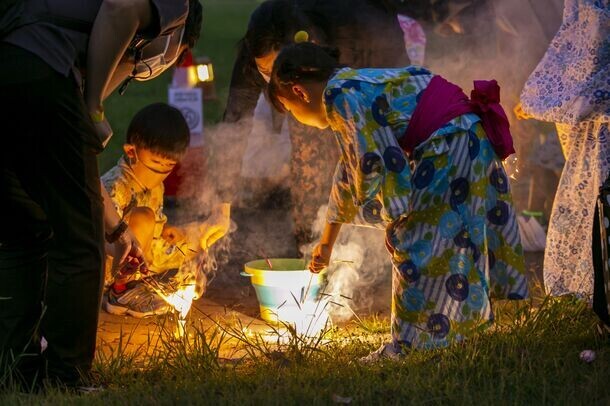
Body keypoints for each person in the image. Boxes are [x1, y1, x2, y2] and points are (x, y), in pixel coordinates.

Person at [267, 43, 528, 358]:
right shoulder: (350, 84)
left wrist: (396, 218)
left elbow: (371, 165)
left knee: (416, 244)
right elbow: (351, 169)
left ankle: (406, 347)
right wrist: (327, 242)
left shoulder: (339, 96)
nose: (298, 118)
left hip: (449, 141)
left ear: (299, 91)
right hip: (466, 137)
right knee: (454, 240)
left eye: (291, 110)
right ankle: (456, 334)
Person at [0, 0, 202, 388]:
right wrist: (91, 106)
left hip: (8, 65)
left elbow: (73, 174)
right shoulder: (180, 6)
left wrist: (116, 230)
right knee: (78, 243)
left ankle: (14, 368)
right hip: (40, 65)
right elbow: (121, 6)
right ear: (176, 35)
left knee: (22, 231)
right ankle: (65, 375)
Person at [221, 0, 410, 248]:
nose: (269, 79)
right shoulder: (263, 39)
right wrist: (221, 204)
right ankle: (310, 245)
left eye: (276, 71)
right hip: (310, 88)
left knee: (378, 161)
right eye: (264, 70)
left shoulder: (357, 34)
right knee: (310, 156)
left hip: (372, 74)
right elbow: (236, 120)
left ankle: (382, 244)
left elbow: (400, 103)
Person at [101, 103, 231, 318]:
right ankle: (121, 293)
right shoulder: (115, 185)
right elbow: (101, 233)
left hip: (142, 255)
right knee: (143, 217)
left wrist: (166, 230)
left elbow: (156, 221)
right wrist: (131, 244)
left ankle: (148, 282)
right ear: (131, 151)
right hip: (109, 262)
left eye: (168, 167)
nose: (160, 174)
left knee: (194, 239)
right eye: (155, 163)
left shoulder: (156, 187)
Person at [518, 0, 609, 300]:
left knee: (596, 200)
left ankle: (596, 289)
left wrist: (537, 98)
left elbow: (586, 44)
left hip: (601, 126)